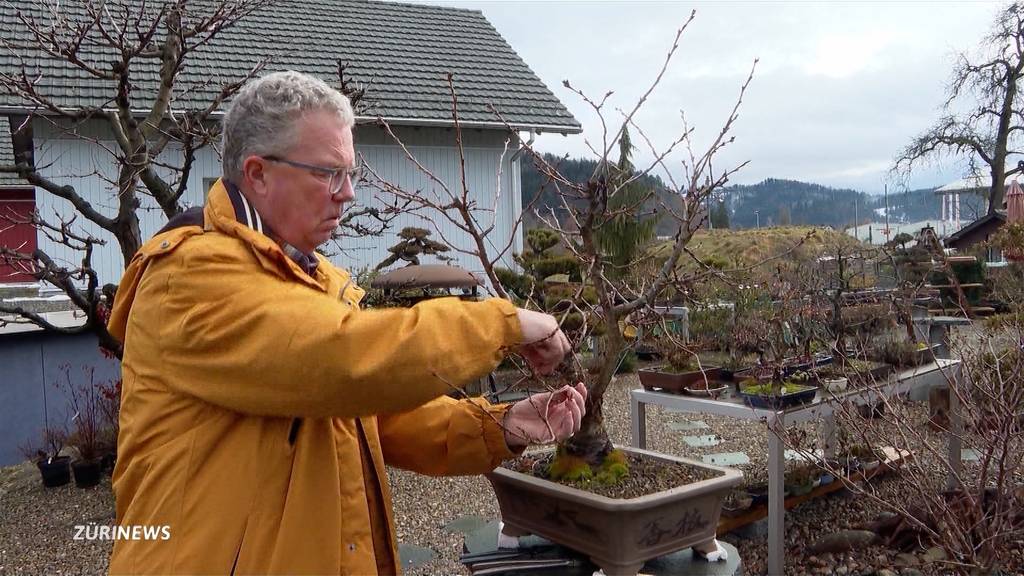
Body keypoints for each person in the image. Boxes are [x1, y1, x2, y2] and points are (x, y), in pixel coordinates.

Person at [106, 70, 586, 575]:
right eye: (329, 173)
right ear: (258, 173)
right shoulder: (190, 275)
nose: (348, 193)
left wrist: (499, 424)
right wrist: (504, 323)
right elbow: (345, 361)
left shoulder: (312, 277)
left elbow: (368, 418)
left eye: (351, 174)